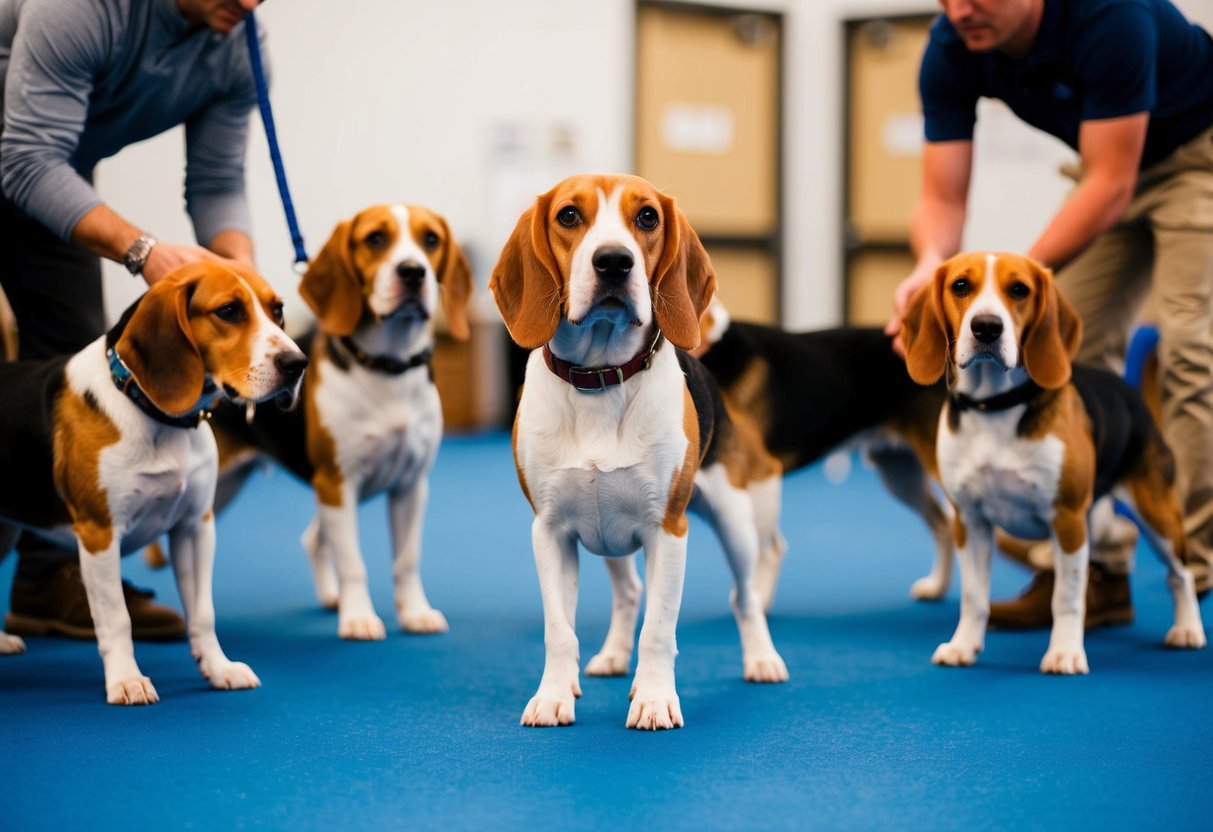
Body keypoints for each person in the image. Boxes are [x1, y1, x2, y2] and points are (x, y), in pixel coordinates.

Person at [886, 0, 1213, 628]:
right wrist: (931, 263)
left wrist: (1014, 291)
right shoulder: (953, 43)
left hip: (1195, 154)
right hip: (1104, 165)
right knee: (1070, 362)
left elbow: (1114, 183)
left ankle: (1197, 567)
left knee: (1187, 351)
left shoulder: (1107, 17)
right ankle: (1102, 574)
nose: (961, 10)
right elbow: (941, 196)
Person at [0, 0, 267, 641]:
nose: (252, 3)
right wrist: (143, 250)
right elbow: (25, 157)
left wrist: (244, 282)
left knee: (70, 367)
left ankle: (47, 578)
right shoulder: (82, 9)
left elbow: (217, 178)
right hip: (29, 157)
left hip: (50, 173)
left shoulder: (237, 40)